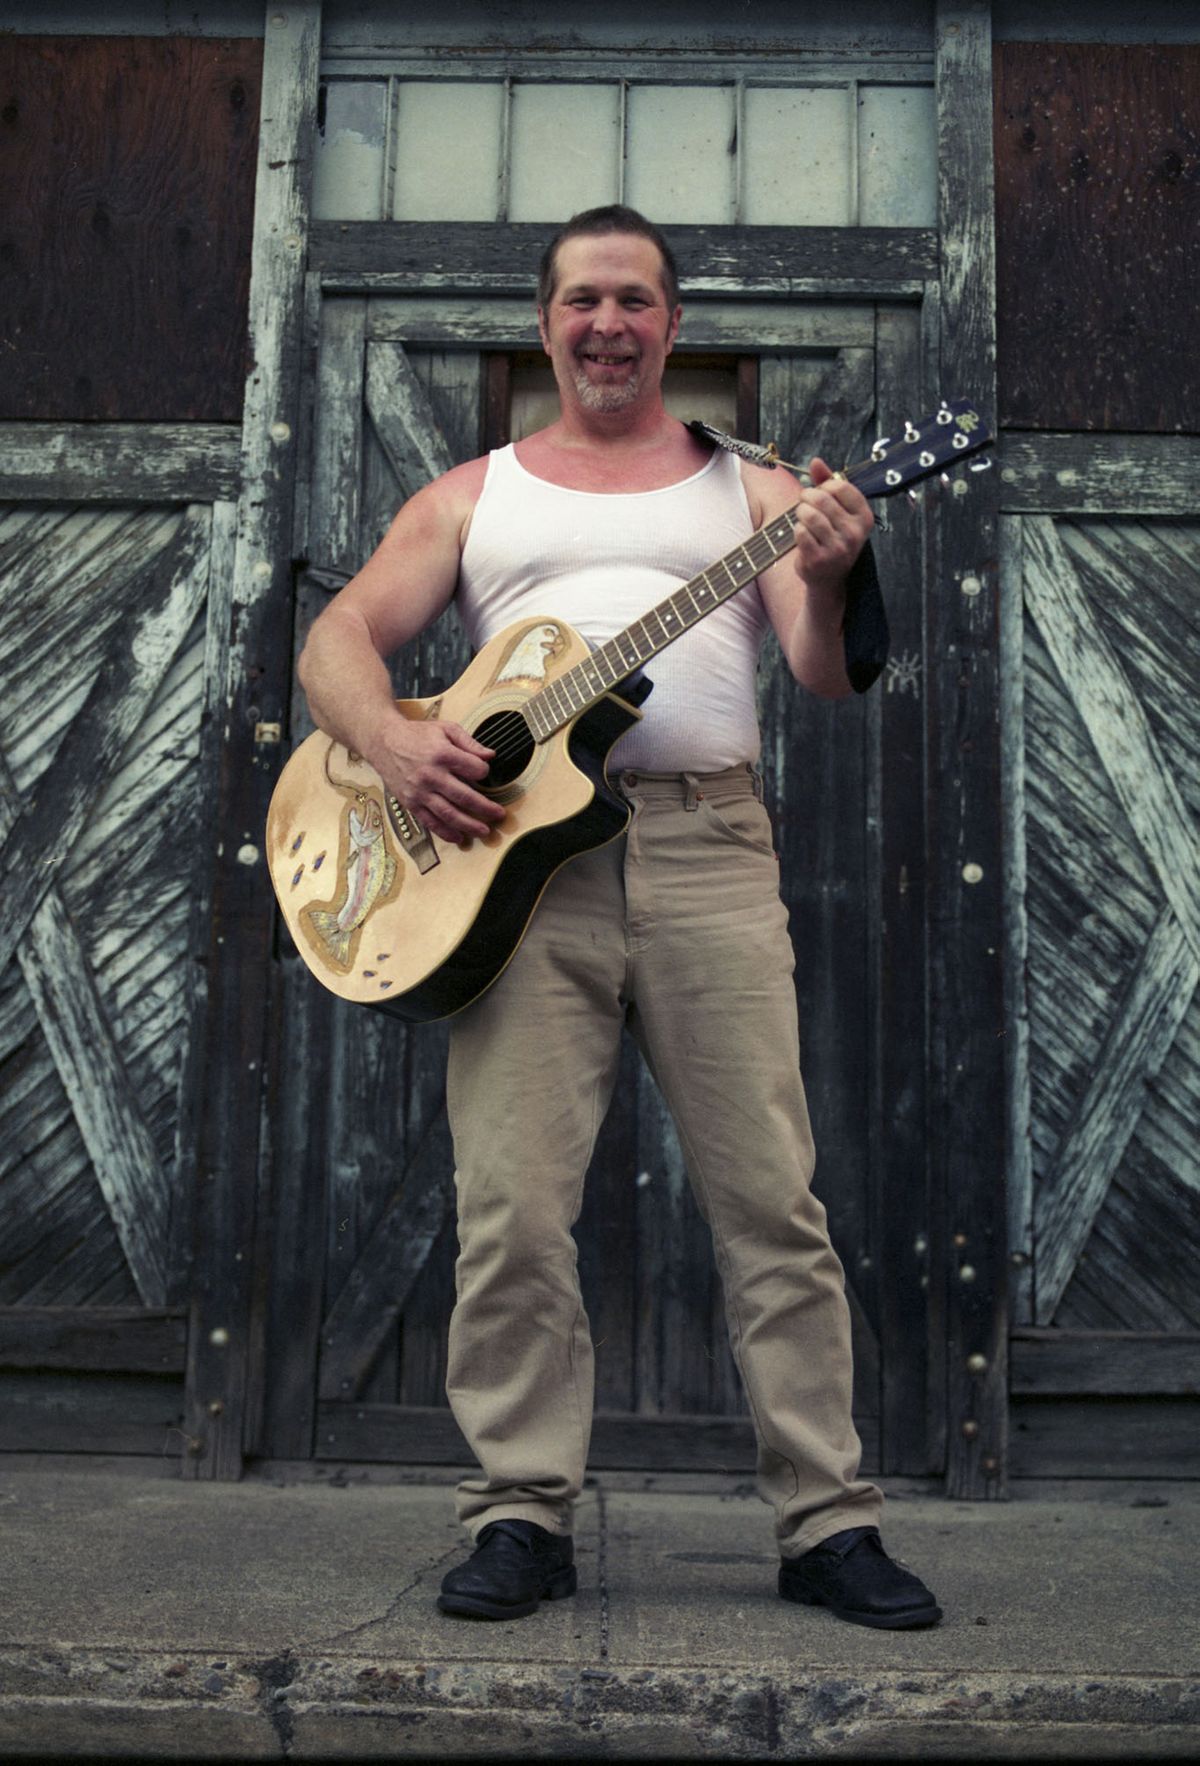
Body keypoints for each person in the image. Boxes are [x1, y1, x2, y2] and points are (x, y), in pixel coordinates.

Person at [298, 204, 941, 1631]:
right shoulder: (474, 495)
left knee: (773, 1199)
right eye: (583, 298)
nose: (608, 324)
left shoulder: (754, 490)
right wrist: (401, 748)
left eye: (636, 301)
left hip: (710, 850)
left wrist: (832, 572)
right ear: (546, 325)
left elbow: (824, 676)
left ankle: (827, 1521)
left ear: (670, 324)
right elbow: (335, 640)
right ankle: (521, 1510)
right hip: (520, 881)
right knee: (513, 1209)